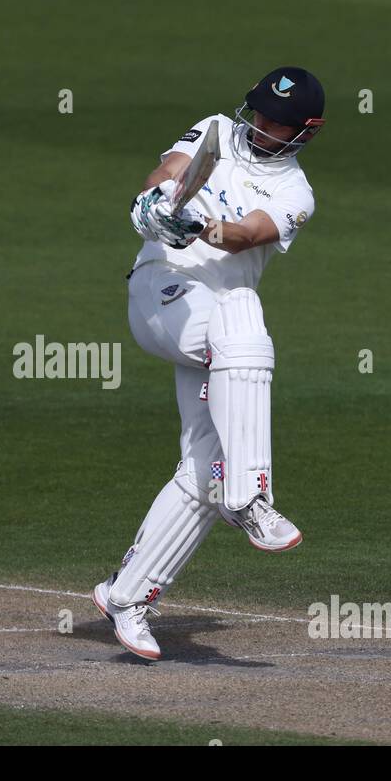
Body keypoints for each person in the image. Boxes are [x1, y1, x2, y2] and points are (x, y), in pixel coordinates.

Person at [93, 66, 326, 660]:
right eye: (257, 111)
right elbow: (171, 170)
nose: (259, 125)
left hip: (215, 330)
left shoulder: (297, 194)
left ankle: (129, 596)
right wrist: (153, 203)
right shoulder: (218, 130)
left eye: (275, 123)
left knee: (205, 463)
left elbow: (248, 235)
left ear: (304, 133)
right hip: (161, 295)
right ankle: (250, 498)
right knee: (244, 311)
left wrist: (200, 223)